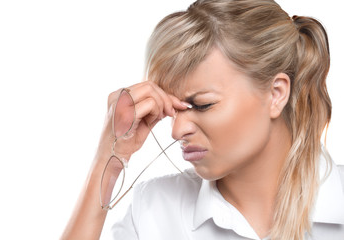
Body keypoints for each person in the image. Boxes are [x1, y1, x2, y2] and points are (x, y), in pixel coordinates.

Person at [61, 0, 344, 239]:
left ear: (276, 93)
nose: (177, 130)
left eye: (202, 104)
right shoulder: (155, 210)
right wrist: (106, 162)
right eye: (172, 109)